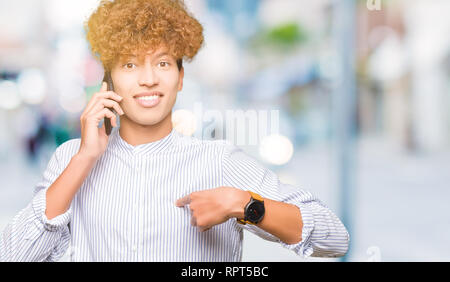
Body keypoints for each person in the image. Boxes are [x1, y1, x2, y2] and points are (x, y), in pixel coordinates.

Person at [0, 0, 349, 261]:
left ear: (180, 78)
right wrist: (85, 159)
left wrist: (243, 203)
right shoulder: (70, 161)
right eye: (130, 64)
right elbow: (14, 255)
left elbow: (335, 239)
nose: (149, 78)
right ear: (109, 80)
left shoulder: (219, 161)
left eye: (163, 63)